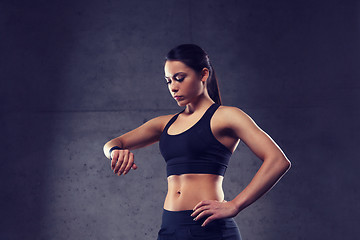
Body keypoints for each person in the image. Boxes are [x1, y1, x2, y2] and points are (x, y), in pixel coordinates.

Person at [103, 43, 291, 240]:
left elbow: (278, 160)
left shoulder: (226, 116)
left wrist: (235, 205)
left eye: (180, 78)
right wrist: (115, 151)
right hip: (170, 228)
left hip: (209, 228)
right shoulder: (165, 124)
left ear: (203, 74)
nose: (173, 87)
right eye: (168, 81)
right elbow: (112, 143)